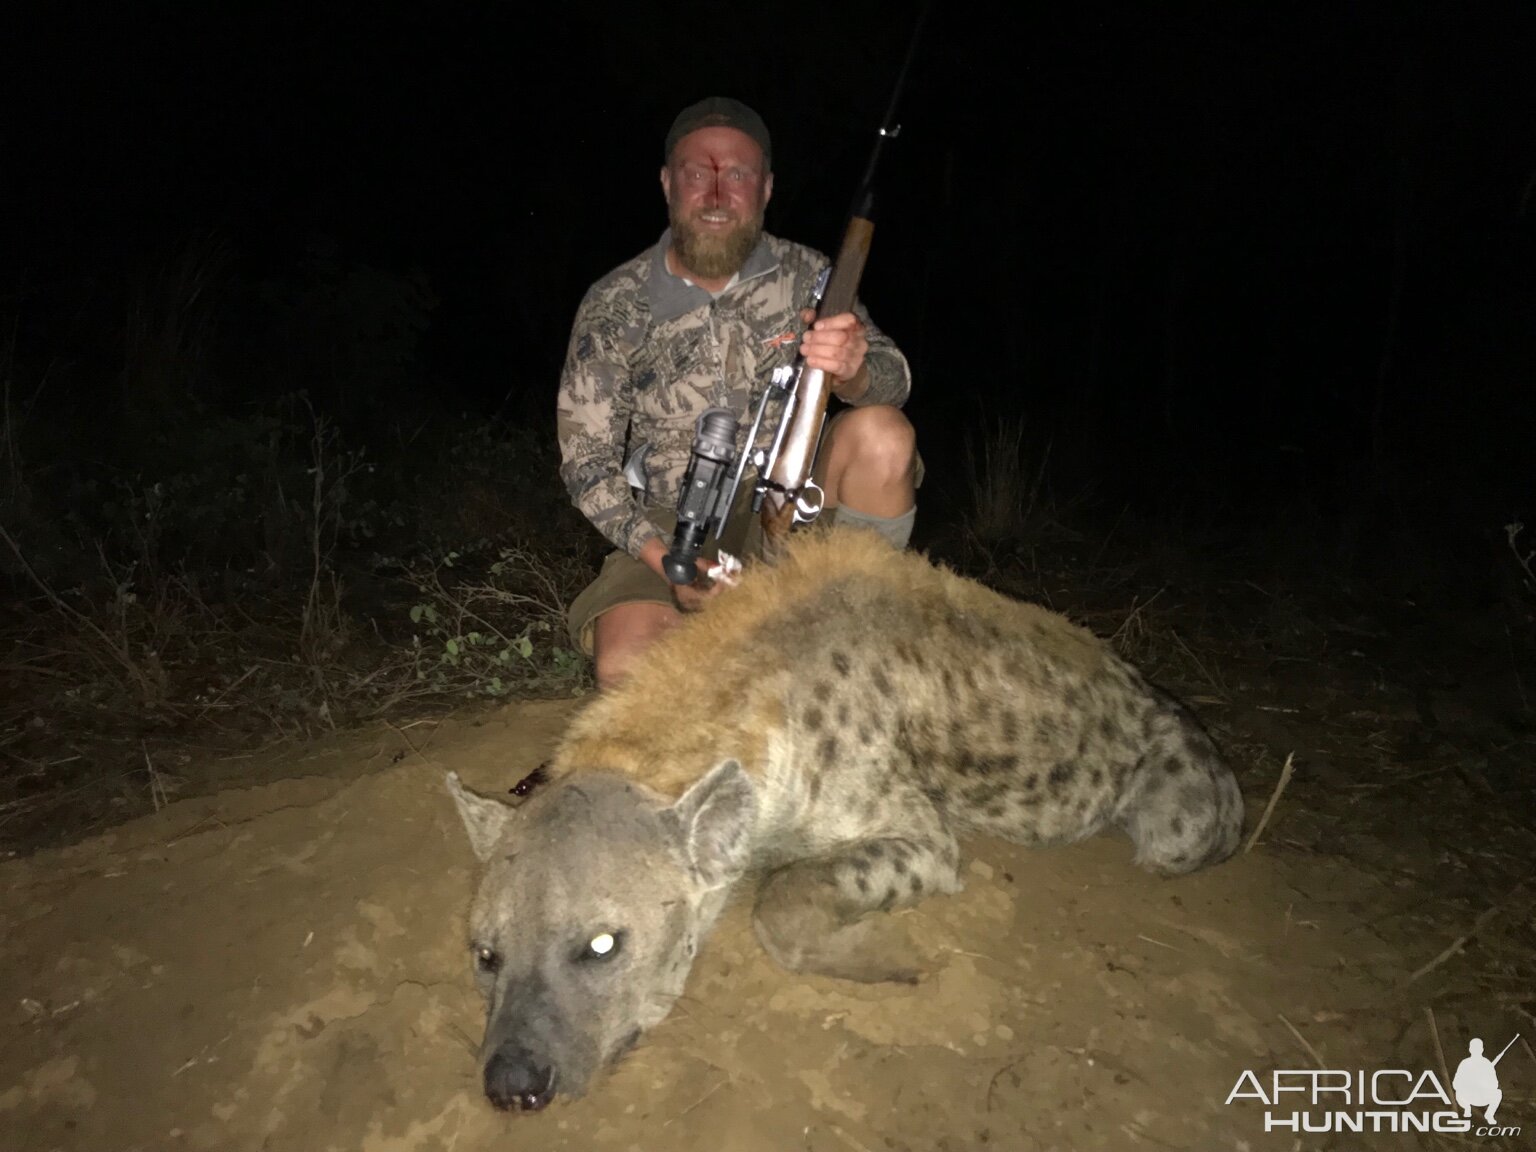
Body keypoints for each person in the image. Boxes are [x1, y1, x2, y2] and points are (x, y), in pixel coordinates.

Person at [557, 96, 919, 689]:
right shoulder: (613, 301)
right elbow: (586, 465)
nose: (719, 196)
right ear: (668, 183)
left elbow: (894, 379)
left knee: (883, 436)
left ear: (767, 188)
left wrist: (854, 369)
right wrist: (664, 560)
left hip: (791, 505)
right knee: (628, 673)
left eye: (739, 175)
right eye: (699, 174)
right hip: (669, 524)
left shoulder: (812, 275)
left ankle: (859, 625)